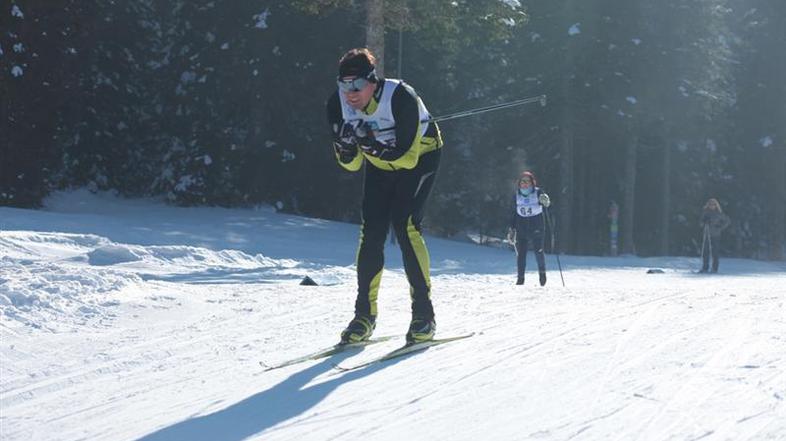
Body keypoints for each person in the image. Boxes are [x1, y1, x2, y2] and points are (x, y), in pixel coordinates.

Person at [326, 48, 444, 344]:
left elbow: (407, 159)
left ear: (372, 82)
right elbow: (351, 166)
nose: (350, 94)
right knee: (372, 230)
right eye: (344, 85)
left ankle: (423, 315)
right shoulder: (336, 105)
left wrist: (372, 145)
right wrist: (346, 147)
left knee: (404, 225)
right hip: (380, 165)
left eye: (356, 86)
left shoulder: (401, 97)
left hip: (421, 158)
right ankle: (364, 315)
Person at [507, 171, 551, 286]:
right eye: (523, 182)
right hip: (521, 228)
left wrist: (545, 201)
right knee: (521, 254)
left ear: (532, 183)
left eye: (528, 182)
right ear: (519, 184)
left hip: (537, 227)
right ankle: (520, 279)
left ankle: (542, 275)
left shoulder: (538, 192)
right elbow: (513, 213)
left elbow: (546, 203)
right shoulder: (516, 195)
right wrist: (511, 229)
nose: (525, 184)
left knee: (538, 251)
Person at [699, 198, 731, 273]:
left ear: (716, 205)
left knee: (715, 252)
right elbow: (700, 223)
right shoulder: (705, 212)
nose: (712, 206)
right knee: (705, 252)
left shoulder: (719, 213)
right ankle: (705, 267)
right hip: (707, 234)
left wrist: (720, 227)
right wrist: (703, 222)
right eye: (710, 204)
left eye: (713, 204)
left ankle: (715, 268)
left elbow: (727, 221)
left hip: (715, 234)